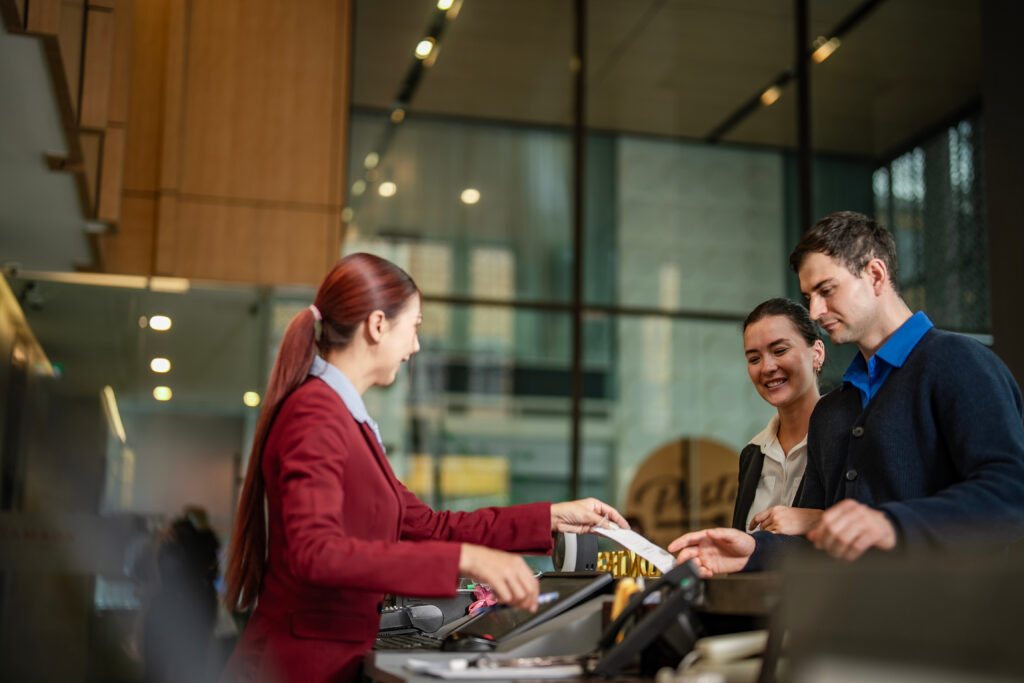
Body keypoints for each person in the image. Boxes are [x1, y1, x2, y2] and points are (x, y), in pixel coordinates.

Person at [221, 253, 628, 682]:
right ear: (378, 325)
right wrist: (469, 559)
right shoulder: (317, 413)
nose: (414, 347)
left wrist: (549, 516)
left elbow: (428, 526)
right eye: (413, 328)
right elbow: (316, 552)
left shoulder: (340, 415)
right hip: (295, 666)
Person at [670, 211, 1024, 576]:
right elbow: (819, 544)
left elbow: (1010, 495)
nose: (815, 311)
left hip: (954, 626)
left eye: (826, 290)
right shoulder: (832, 411)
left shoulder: (960, 363)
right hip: (852, 624)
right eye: (809, 296)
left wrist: (888, 525)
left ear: (875, 275)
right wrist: (755, 551)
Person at [733, 298, 825, 536]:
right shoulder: (753, 453)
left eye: (780, 350)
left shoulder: (849, 438)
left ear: (817, 353)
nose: (767, 367)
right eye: (754, 358)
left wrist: (816, 521)